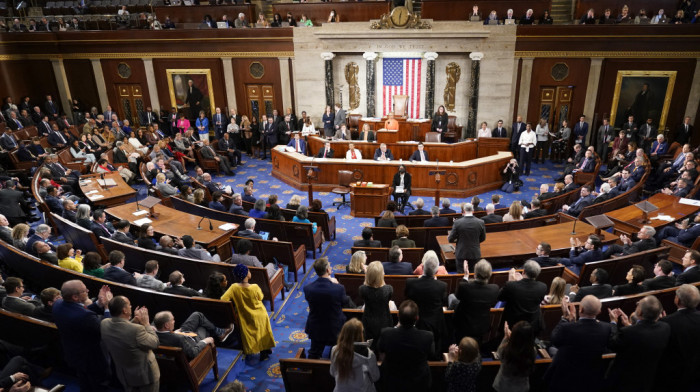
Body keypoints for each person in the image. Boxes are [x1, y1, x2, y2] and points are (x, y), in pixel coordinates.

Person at [544, 295, 612, 392]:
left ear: (581, 309)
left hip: (565, 378)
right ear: (599, 312)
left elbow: (554, 340)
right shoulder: (606, 328)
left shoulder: (567, 328)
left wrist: (565, 318)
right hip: (591, 380)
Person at [53, 281, 112, 390]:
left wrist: (99, 303)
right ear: (75, 297)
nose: (88, 291)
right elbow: (106, 328)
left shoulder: (57, 304)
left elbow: (80, 311)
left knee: (84, 382)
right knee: (100, 385)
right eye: (85, 291)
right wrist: (107, 307)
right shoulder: (84, 317)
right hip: (93, 359)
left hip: (73, 354)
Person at [606, 295, 670, 391]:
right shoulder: (665, 327)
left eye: (638, 306)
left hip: (625, 382)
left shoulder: (628, 332)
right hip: (650, 379)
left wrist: (613, 323)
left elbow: (613, 344)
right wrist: (629, 326)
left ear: (639, 312)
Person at [101, 296, 160, 392]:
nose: (131, 306)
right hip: (145, 376)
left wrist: (134, 321)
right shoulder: (137, 330)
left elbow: (123, 331)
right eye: (129, 305)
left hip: (124, 374)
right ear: (124, 310)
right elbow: (154, 343)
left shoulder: (104, 323)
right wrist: (146, 324)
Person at [377, 300, 434, 392]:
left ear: (398, 316)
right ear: (417, 318)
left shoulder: (386, 333)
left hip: (392, 383)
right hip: (418, 383)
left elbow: (380, 350)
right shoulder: (427, 336)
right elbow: (431, 354)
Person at [221, 264, 275, 360]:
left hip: (245, 316)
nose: (250, 272)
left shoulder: (234, 287)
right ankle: (265, 351)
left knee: (252, 334)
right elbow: (261, 297)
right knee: (263, 332)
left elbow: (223, 299)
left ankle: (260, 350)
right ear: (246, 274)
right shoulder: (254, 287)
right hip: (260, 314)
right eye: (249, 271)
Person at [655, 284, 700, 391]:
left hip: (675, 378)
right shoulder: (667, 322)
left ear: (677, 300)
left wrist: (663, 324)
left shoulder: (666, 323)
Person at [303, 257, 347, 359]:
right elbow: (344, 302)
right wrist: (336, 284)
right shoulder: (338, 288)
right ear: (328, 270)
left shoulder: (308, 289)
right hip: (335, 328)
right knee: (339, 353)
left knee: (314, 353)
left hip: (316, 328)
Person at [449, 259, 499, 344]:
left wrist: (465, 276)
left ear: (475, 274)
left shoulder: (464, 287)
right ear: (489, 274)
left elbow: (458, 295)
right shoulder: (494, 289)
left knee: (452, 298)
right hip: (481, 327)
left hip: (463, 326)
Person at [405, 256, 447, 358]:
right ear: (436, 271)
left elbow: (406, 298)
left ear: (422, 268)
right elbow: (443, 302)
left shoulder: (411, 283)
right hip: (434, 324)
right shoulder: (442, 286)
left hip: (414, 322)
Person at [154, 311, 232, 360]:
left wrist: (173, 332)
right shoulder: (179, 339)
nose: (174, 321)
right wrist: (204, 341)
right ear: (167, 325)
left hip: (180, 334)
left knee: (197, 315)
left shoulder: (153, 336)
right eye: (172, 320)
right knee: (204, 328)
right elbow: (193, 353)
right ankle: (217, 339)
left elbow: (168, 338)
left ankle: (219, 332)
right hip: (194, 342)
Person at [330, 319, 380, 392]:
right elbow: (375, 377)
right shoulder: (368, 353)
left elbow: (333, 372)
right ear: (361, 334)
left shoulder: (335, 349)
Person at [498, 261, 548, 334]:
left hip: (512, 326)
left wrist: (510, 281)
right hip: (532, 325)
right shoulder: (543, 287)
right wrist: (520, 282)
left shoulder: (511, 286)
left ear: (523, 271)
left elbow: (500, 297)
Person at [492, 321, 536, 392]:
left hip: (503, 386)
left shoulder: (505, 349)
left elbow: (498, 355)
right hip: (522, 387)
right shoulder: (533, 350)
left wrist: (506, 337)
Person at [448, 203, 486, 273]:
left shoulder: (457, 223)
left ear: (464, 211)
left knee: (461, 275)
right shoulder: (480, 222)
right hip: (475, 253)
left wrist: (458, 240)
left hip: (461, 253)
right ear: (473, 210)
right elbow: (483, 238)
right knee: (474, 274)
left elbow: (450, 239)